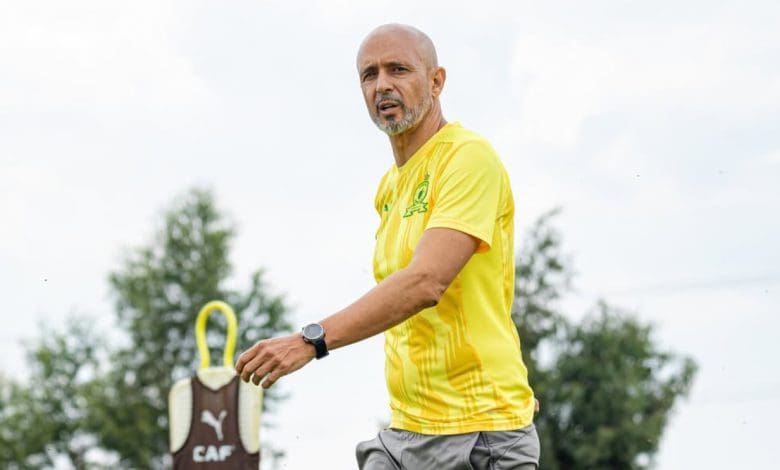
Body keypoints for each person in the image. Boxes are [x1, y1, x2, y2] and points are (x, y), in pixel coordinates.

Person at [235, 23, 539, 469]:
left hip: (480, 434)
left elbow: (425, 282)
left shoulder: (468, 158)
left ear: (436, 81)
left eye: (398, 69)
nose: (383, 85)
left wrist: (310, 341)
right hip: (409, 431)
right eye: (369, 74)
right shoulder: (390, 187)